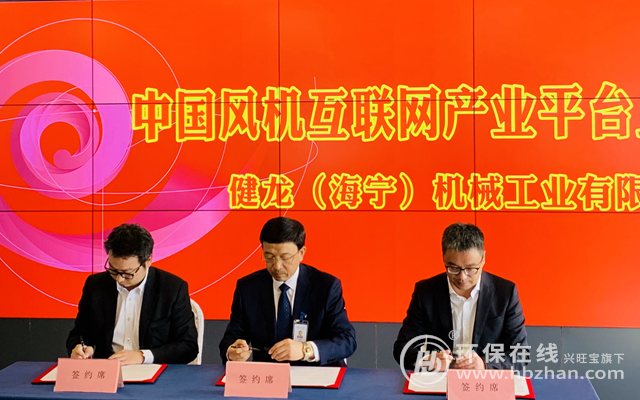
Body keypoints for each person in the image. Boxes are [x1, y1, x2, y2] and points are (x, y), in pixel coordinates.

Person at [219, 217, 356, 366]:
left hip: (316, 373)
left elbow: (346, 340)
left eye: (285, 258)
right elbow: (230, 339)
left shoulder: (326, 287)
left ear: (301, 253)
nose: (277, 266)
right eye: (269, 257)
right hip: (268, 375)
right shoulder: (248, 288)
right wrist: (232, 351)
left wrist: (305, 350)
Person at [393, 223, 528, 371]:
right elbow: (402, 348)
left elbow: (521, 354)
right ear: (443, 257)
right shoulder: (426, 292)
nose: (462, 277)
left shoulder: (505, 293)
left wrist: (485, 365)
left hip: (485, 379)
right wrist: (427, 361)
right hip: (441, 377)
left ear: (483, 258)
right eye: (453, 268)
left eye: (470, 268)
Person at [66, 223, 198, 365]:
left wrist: (143, 356)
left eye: (127, 273)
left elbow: (188, 346)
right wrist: (79, 348)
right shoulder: (95, 285)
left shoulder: (172, 289)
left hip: (152, 370)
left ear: (148, 260)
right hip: (107, 370)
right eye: (113, 270)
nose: (119, 279)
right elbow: (79, 333)